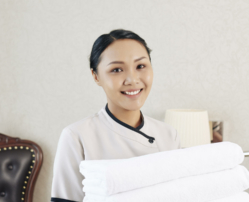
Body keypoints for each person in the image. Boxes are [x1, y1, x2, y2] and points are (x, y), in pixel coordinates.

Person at [50, 29, 181, 202]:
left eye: (140, 66)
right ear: (96, 76)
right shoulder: (77, 136)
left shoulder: (168, 135)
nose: (132, 80)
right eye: (117, 69)